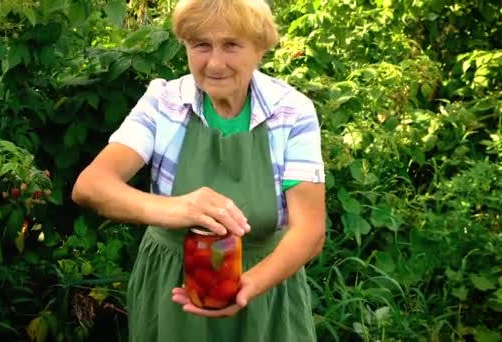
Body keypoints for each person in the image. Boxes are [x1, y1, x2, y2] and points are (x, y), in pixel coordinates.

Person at [71, 0, 326, 340]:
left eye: (231, 45)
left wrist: (248, 286)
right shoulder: (164, 103)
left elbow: (309, 232)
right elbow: (91, 186)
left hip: (266, 292)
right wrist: (177, 208)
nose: (215, 63)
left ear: (260, 47)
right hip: (171, 288)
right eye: (201, 45)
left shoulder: (292, 112)